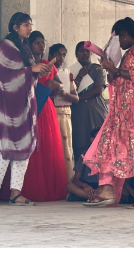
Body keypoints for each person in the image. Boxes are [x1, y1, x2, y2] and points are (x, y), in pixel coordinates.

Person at [83, 17, 134, 209]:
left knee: (126, 144)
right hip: (126, 109)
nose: (118, 44)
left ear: (125, 34)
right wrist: (111, 69)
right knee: (117, 144)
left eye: (117, 39)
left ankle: (117, 190)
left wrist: (114, 69)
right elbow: (120, 80)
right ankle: (115, 190)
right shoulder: (132, 51)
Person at [0, 12, 51, 206]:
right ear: (15, 27)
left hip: (25, 105)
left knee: (24, 148)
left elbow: (27, 74)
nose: (29, 28)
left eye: (30, 24)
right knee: (5, 149)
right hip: (9, 106)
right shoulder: (5, 47)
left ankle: (15, 192)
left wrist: (38, 71)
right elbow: (3, 76)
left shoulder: (25, 48)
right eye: (26, 25)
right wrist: (31, 70)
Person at [14, 31, 68, 202]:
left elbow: (62, 86)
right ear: (29, 45)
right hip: (28, 106)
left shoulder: (48, 65)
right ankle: (23, 188)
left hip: (46, 108)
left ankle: (47, 188)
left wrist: (56, 86)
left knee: (46, 146)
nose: (41, 46)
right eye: (37, 43)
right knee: (28, 146)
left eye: (42, 42)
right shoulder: (25, 64)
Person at [71, 41, 108, 160]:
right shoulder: (71, 71)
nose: (85, 53)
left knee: (99, 143)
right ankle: (80, 170)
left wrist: (77, 98)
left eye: (87, 51)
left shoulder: (98, 69)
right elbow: (69, 92)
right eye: (81, 51)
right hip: (78, 114)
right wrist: (79, 76)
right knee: (80, 144)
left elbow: (98, 90)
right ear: (76, 54)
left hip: (96, 111)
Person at [49, 43, 79, 180]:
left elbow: (76, 98)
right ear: (51, 55)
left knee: (66, 147)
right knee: (53, 147)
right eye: (58, 54)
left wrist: (63, 93)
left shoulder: (67, 74)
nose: (61, 57)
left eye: (64, 54)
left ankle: (67, 179)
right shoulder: (46, 72)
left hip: (66, 113)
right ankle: (54, 180)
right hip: (51, 112)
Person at [67, 127, 101, 201]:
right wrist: (85, 185)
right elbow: (75, 179)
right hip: (88, 186)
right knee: (70, 186)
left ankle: (92, 197)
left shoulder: (109, 155)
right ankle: (96, 197)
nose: (101, 140)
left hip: (103, 187)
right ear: (92, 139)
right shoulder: (85, 155)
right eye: (98, 137)